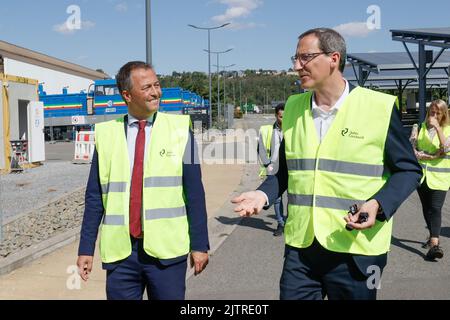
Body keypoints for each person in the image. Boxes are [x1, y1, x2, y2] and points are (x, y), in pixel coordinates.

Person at [232, 28, 423, 300]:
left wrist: (378, 205)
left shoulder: (378, 107)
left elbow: (409, 169)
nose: (297, 66)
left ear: (334, 58)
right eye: (295, 58)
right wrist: (262, 194)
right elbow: (286, 171)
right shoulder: (294, 107)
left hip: (356, 251)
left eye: (305, 57)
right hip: (302, 251)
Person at [76, 61, 209, 300]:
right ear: (127, 95)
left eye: (157, 85)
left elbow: (195, 192)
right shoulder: (106, 135)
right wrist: (86, 248)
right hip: (121, 255)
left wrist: (200, 244)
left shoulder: (180, 130)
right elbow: (95, 196)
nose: (156, 92)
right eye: (147, 87)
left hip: (166, 254)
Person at [411, 99, 450, 261]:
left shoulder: (447, 129)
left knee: (435, 208)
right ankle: (432, 237)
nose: (433, 115)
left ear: (443, 114)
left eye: (437, 113)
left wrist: (438, 128)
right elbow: (412, 145)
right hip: (422, 175)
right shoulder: (419, 127)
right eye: (431, 112)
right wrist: (417, 152)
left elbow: (446, 148)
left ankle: (435, 243)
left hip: (440, 176)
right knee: (427, 208)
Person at [258, 103, 286, 236]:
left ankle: (291, 222)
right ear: (276, 116)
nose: (283, 119)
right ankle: (281, 223)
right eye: (281, 117)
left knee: (293, 198)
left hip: (291, 167)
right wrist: (267, 164)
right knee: (277, 198)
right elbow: (261, 149)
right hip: (274, 167)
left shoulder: (293, 128)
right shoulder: (267, 130)